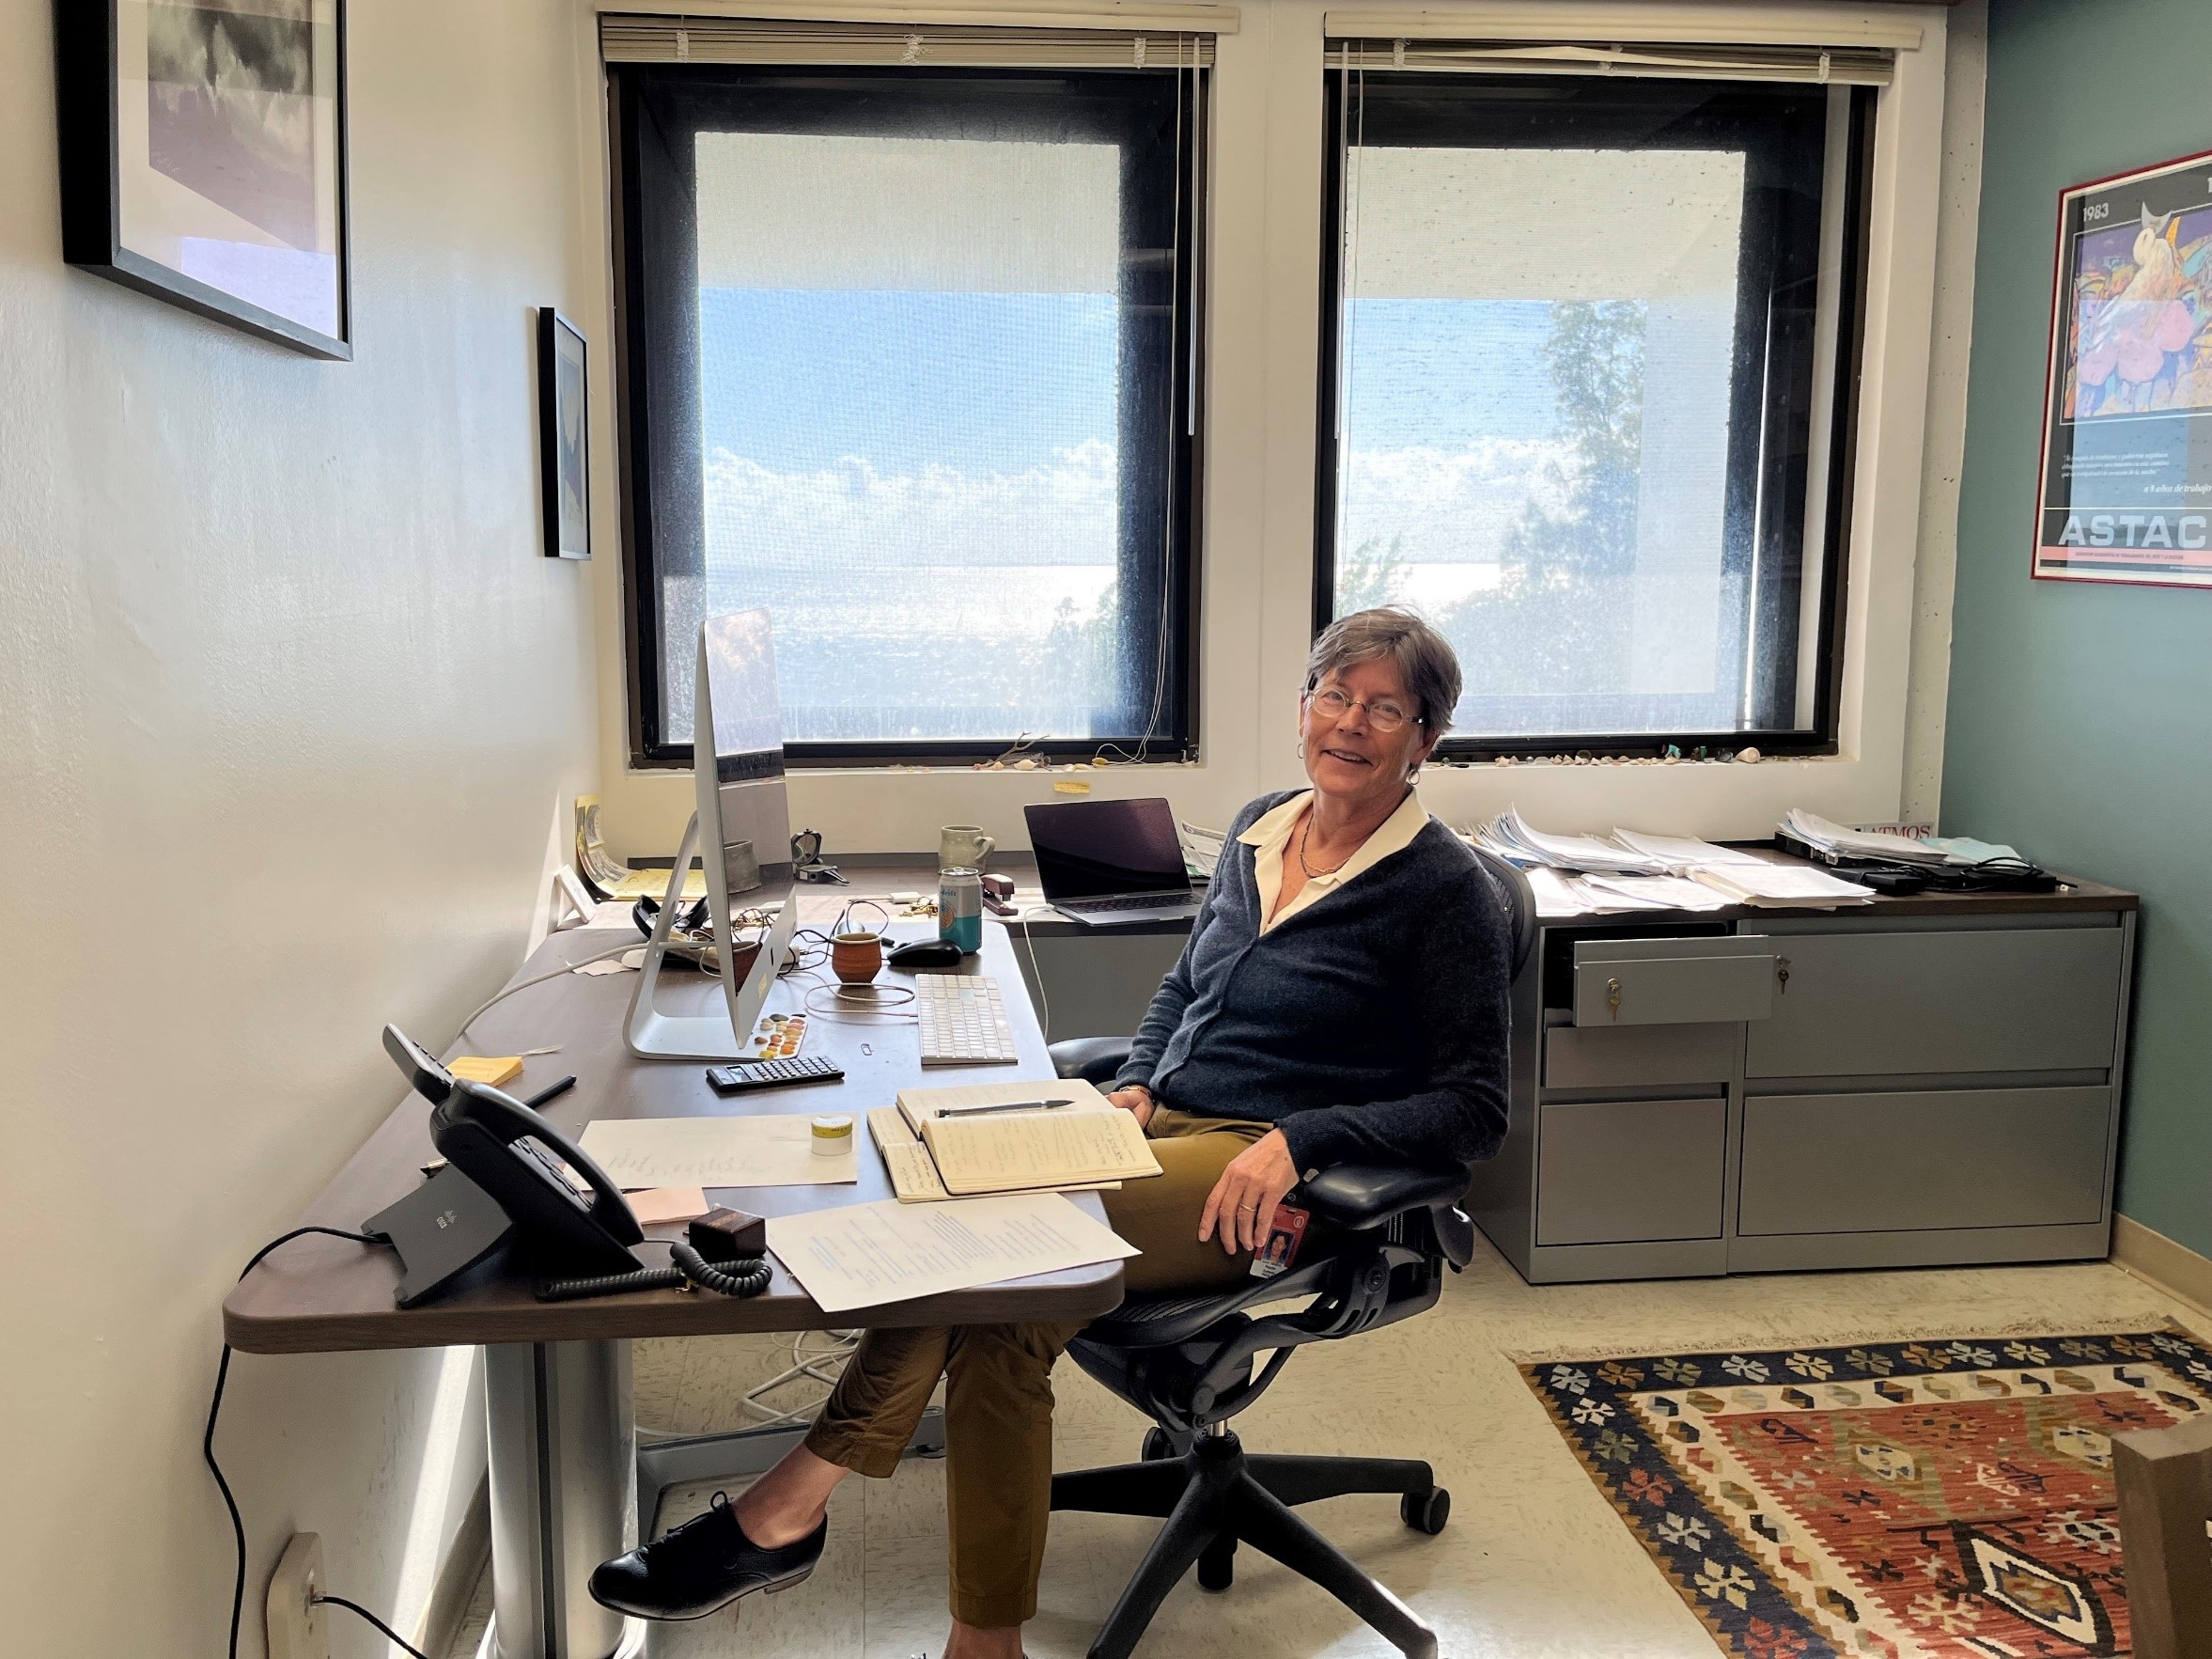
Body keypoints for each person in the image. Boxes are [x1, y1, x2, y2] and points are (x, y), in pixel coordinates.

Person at [588, 607, 1514, 1658]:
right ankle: (970, 1634)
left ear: (1425, 738)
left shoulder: (1444, 890)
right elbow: (1182, 988)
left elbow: (1475, 1106)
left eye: (1383, 708)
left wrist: (1303, 1138)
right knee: (988, 1286)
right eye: (1333, 697)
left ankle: (794, 1512)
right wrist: (1132, 1082)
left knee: (999, 1267)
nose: (1348, 724)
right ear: (1303, 707)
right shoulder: (1264, 825)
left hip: (1274, 1171)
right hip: (1168, 1124)